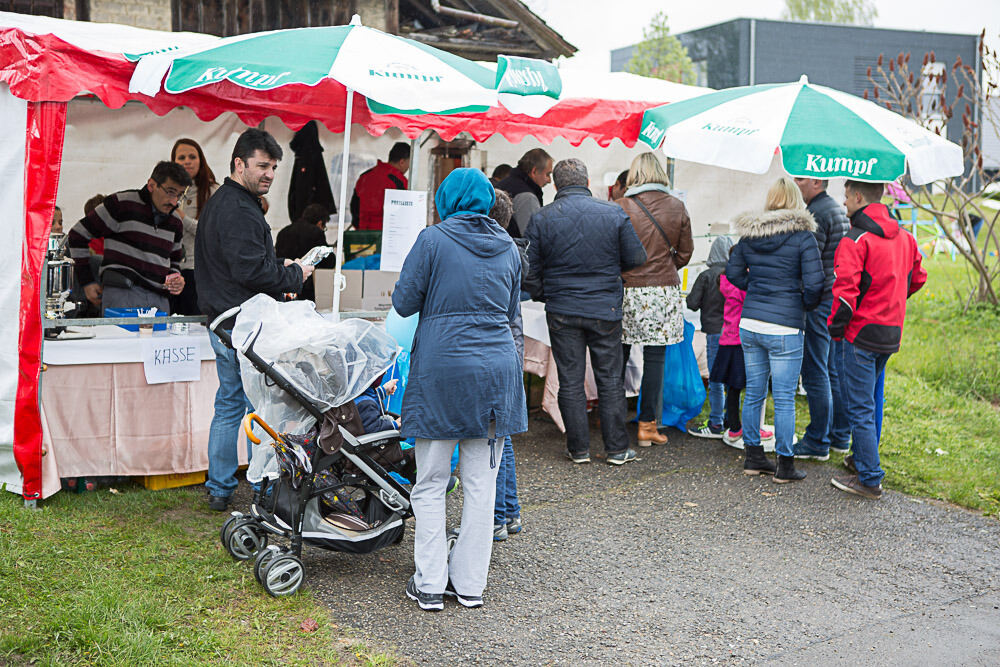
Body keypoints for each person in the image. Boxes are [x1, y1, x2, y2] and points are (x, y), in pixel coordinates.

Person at [392, 168, 525, 611]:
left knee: (430, 482)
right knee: (481, 485)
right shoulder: (509, 247)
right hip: (495, 375)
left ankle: (429, 583)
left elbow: (403, 302)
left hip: (443, 372)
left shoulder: (432, 240)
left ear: (445, 200)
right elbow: (509, 312)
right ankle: (470, 585)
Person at [195, 128, 314, 512]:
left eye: (274, 167)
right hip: (240, 326)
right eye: (262, 165)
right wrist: (294, 274)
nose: (269, 174)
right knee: (259, 410)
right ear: (239, 164)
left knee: (230, 405)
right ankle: (262, 487)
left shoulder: (227, 203)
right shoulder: (238, 208)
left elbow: (246, 266)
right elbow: (251, 272)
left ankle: (220, 488)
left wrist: (281, 267)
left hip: (227, 321)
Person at [525, 158, 647, 465]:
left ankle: (578, 448)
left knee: (570, 378)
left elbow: (530, 270)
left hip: (562, 307)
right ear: (588, 181)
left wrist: (545, 294)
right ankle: (617, 449)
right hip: (604, 307)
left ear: (555, 184)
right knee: (609, 379)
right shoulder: (613, 212)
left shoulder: (542, 218)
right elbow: (636, 257)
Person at [829, 180, 926, 499]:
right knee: (872, 400)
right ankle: (860, 460)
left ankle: (870, 477)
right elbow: (918, 277)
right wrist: (894, 300)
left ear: (858, 197)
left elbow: (844, 295)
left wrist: (835, 329)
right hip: (890, 331)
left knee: (860, 406)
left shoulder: (855, 239)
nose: (843, 204)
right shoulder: (905, 237)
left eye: (845, 197)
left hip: (860, 333)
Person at [726, 177, 824, 483]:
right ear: (796, 200)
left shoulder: (750, 235)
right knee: (783, 398)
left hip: (750, 323)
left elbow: (732, 272)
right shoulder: (803, 237)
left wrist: (754, 287)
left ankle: (753, 457)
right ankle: (784, 465)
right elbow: (816, 283)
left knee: (754, 392)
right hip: (785, 327)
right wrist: (801, 303)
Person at [616, 152, 693, 447]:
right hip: (662, 290)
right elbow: (685, 253)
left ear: (635, 174)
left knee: (618, 357)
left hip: (626, 288)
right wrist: (664, 265)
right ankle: (647, 426)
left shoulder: (621, 206)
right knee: (655, 359)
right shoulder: (677, 206)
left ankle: (612, 421)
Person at [66, 161, 191, 314]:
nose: (174, 201)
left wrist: (175, 279)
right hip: (122, 293)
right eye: (170, 192)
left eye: (180, 195)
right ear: (152, 185)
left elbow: (174, 261)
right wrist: (87, 282)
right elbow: (77, 234)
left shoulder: (176, 222)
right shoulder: (121, 204)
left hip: (159, 300)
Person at [791, 178, 851, 462]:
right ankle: (840, 435)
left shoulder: (815, 214)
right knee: (832, 369)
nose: (795, 183)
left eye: (800, 179)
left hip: (819, 301)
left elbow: (810, 264)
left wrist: (805, 299)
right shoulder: (838, 208)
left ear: (817, 181)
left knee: (816, 372)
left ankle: (817, 440)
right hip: (835, 298)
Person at [488, 190, 524, 542]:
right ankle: (509, 511)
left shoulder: (495, 249)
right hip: (510, 347)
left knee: (494, 436)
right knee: (503, 435)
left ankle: (498, 515)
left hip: (498, 349)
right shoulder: (508, 248)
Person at [686, 235, 734, 438]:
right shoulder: (736, 275)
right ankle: (732, 421)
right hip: (735, 333)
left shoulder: (706, 276)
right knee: (733, 379)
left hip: (714, 332)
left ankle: (716, 423)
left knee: (716, 378)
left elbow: (692, 303)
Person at [171, 138, 220, 315]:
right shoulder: (167, 192)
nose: (187, 161)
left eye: (192, 156)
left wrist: (182, 217)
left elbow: (212, 233)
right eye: (181, 157)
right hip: (172, 271)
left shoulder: (213, 191)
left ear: (201, 160)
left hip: (199, 271)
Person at [274, 203, 332, 301]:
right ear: (320, 223)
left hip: (283, 283)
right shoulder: (316, 232)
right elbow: (328, 261)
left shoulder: (283, 232)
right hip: (305, 286)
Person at [350, 142, 410, 230]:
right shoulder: (399, 181)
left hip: (362, 234)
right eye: (408, 163)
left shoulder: (365, 176)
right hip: (386, 235)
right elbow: (404, 212)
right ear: (402, 162)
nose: (408, 168)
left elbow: (354, 206)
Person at [495, 148, 553, 238]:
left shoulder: (503, 184)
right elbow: (532, 239)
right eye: (548, 174)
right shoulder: (527, 197)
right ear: (534, 171)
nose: (549, 180)